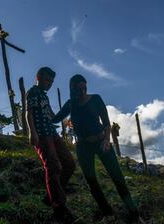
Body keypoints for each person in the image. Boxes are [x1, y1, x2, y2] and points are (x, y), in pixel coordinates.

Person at [53, 74, 144, 223]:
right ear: (72, 89)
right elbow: (55, 119)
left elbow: (107, 123)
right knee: (91, 181)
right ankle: (108, 213)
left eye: (84, 88)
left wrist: (107, 140)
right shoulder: (70, 104)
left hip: (102, 142)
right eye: (78, 89)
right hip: (83, 146)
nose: (82, 92)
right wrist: (40, 108)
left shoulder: (96, 99)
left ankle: (134, 214)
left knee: (118, 178)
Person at [25, 67, 76, 222]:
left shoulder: (44, 97)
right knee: (53, 166)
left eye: (52, 81)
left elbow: (52, 115)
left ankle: (50, 195)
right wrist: (32, 132)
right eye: (48, 80)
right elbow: (29, 112)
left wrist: (67, 122)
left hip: (53, 133)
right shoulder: (33, 92)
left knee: (69, 163)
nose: (50, 84)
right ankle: (58, 206)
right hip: (41, 134)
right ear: (38, 77)